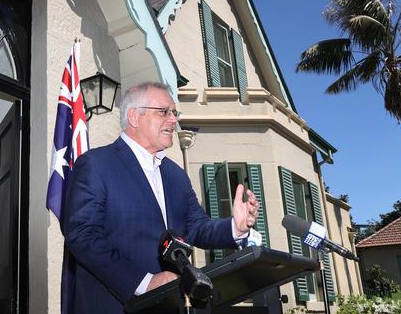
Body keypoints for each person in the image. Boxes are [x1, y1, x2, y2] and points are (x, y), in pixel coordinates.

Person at [62, 82, 259, 313]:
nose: (173, 120)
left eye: (174, 113)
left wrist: (235, 228)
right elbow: (83, 235)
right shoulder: (96, 164)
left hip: (170, 305)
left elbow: (196, 227)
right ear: (135, 117)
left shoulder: (176, 175)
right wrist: (143, 282)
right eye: (164, 112)